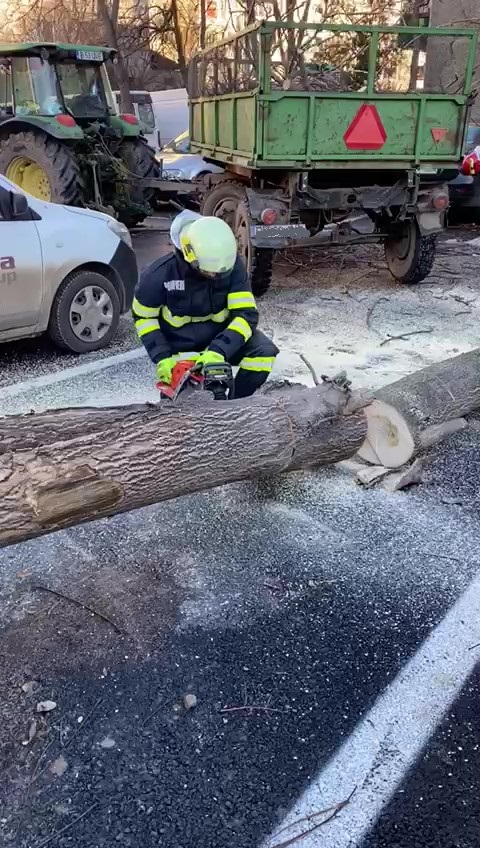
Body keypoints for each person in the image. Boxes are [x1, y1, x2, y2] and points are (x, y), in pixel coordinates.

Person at [132, 210, 279, 398]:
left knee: (263, 353)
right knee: (179, 406)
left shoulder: (230, 265)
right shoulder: (157, 276)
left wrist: (219, 350)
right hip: (180, 347)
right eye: (210, 272)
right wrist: (162, 357)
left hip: (221, 339)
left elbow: (246, 315)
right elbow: (144, 318)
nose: (216, 276)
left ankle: (238, 403)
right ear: (190, 254)